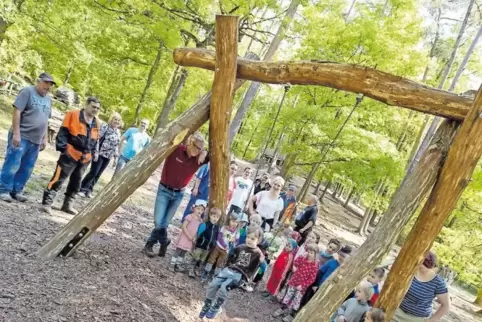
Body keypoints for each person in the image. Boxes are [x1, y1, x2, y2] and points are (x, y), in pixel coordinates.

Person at [142, 133, 208, 258]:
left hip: (179, 194)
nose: (197, 150)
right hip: (164, 190)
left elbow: (216, 156)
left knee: (165, 223)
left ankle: (150, 245)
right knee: (158, 221)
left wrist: (204, 152)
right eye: (196, 146)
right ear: (190, 142)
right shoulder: (176, 149)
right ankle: (164, 241)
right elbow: (167, 139)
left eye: (200, 148)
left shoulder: (198, 159)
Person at [0, 73, 55, 203]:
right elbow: (17, 111)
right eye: (46, 83)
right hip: (22, 135)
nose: (48, 86)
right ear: (39, 81)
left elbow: (46, 119)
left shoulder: (48, 99)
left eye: (51, 84)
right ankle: (3, 190)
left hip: (36, 140)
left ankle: (17, 190)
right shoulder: (28, 92)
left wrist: (44, 138)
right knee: (13, 163)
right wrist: (16, 133)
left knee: (27, 167)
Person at [41, 97, 101, 215]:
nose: (95, 110)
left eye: (98, 108)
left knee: (76, 182)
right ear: (86, 105)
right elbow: (63, 132)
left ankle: (67, 204)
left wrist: (94, 152)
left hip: (85, 157)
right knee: (59, 178)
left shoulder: (97, 122)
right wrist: (63, 149)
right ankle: (47, 202)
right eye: (93, 107)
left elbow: (96, 139)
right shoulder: (73, 114)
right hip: (70, 152)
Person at [199, 227, 263, 319]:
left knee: (224, 287)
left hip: (241, 275)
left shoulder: (258, 254)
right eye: (248, 237)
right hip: (230, 270)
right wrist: (226, 265)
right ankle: (208, 304)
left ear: (259, 240)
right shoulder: (240, 247)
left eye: (253, 239)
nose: (249, 240)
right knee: (213, 284)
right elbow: (231, 259)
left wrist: (250, 280)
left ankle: (216, 307)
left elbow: (259, 269)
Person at [392, 251, 450, 322]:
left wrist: (431, 320)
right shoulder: (410, 271)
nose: (422, 266)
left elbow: (446, 305)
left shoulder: (438, 282)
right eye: (421, 262)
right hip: (396, 312)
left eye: (426, 263)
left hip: (417, 319)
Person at [79, 112, 122, 198]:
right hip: (100, 153)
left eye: (118, 120)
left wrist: (115, 157)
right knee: (93, 172)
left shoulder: (118, 132)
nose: (116, 121)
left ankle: (89, 190)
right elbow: (97, 139)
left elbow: (116, 144)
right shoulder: (105, 127)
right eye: (115, 119)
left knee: (98, 174)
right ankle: (82, 188)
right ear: (111, 119)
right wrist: (95, 151)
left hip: (108, 156)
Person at [273, 243, 319, 320]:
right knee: (288, 295)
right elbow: (295, 262)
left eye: (312, 253)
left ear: (315, 254)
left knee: (296, 300)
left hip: (301, 287)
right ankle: (282, 309)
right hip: (294, 281)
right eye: (308, 251)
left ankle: (291, 314)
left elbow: (312, 279)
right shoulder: (302, 258)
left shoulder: (315, 266)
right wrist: (295, 266)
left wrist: (303, 285)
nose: (309, 254)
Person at [299, 245, 352, 311]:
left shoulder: (347, 270)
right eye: (340, 255)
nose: (341, 257)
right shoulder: (331, 262)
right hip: (319, 287)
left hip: (329, 293)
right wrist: (315, 285)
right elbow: (319, 273)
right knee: (307, 302)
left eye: (343, 256)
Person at [170, 199, 206, 272]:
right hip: (185, 237)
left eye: (202, 210)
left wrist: (195, 237)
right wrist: (189, 236)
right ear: (194, 208)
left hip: (191, 239)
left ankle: (178, 264)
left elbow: (198, 230)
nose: (199, 211)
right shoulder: (189, 217)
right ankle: (172, 264)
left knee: (184, 252)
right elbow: (184, 226)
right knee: (179, 250)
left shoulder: (200, 220)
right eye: (198, 208)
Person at [202, 214, 238, 281]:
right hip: (218, 246)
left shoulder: (236, 232)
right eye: (233, 221)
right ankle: (206, 271)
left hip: (226, 251)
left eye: (236, 222)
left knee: (220, 262)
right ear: (229, 220)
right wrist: (224, 245)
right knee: (212, 259)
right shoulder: (224, 228)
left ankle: (216, 275)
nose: (234, 223)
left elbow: (236, 242)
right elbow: (219, 237)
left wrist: (234, 242)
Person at [189, 207, 221, 278]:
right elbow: (199, 233)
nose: (215, 218)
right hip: (200, 245)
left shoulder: (217, 227)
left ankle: (196, 269)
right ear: (210, 215)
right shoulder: (205, 224)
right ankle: (191, 269)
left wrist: (214, 243)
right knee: (195, 257)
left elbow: (217, 237)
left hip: (208, 248)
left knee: (202, 259)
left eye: (217, 217)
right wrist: (196, 241)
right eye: (214, 216)